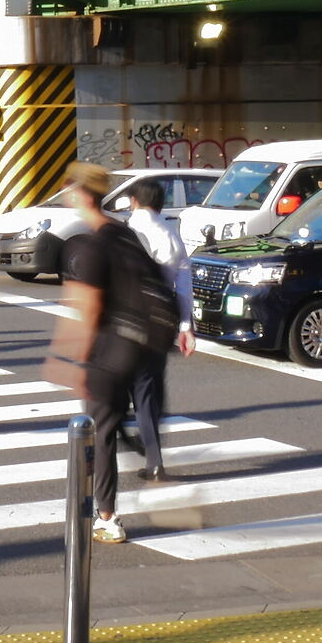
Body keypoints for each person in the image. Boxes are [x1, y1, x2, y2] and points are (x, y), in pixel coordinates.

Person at [49, 162, 182, 544]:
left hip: (113, 349)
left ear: (78, 194)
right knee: (118, 418)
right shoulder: (124, 233)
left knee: (100, 431)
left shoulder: (91, 245)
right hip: (147, 347)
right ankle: (141, 446)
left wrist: (65, 359)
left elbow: (86, 309)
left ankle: (106, 516)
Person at [121, 177, 198, 483]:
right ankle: (154, 458)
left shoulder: (128, 233)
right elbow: (184, 286)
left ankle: (132, 439)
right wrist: (185, 326)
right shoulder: (171, 233)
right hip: (160, 322)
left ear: (134, 201)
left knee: (121, 388)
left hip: (127, 320)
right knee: (149, 389)